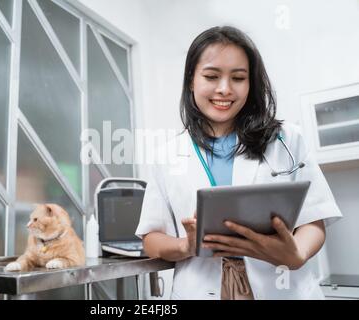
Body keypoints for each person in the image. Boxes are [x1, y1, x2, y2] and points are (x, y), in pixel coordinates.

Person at [135, 26, 342, 300]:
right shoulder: (166, 155)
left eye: (238, 78)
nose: (224, 89)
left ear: (250, 83)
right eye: (211, 76)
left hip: (281, 286)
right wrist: (187, 246)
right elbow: (151, 238)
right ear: (191, 81)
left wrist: (296, 254)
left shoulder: (286, 139)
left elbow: (314, 219)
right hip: (201, 288)